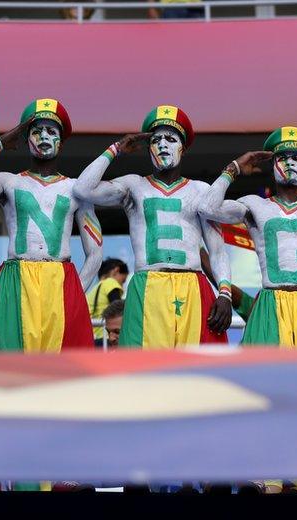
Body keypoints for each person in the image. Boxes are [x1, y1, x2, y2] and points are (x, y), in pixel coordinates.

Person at [73, 105, 232, 348]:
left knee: (194, 369)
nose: (163, 145)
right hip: (147, 285)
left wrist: (224, 293)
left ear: (183, 147)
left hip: (192, 285)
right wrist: (116, 149)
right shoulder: (132, 185)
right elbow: (83, 189)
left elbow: (217, 250)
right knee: (146, 369)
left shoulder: (201, 190)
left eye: (170, 138)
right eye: (155, 140)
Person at [0, 98, 101, 353]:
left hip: (61, 278)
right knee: (8, 364)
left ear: (61, 140)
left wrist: (75, 292)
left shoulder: (76, 188)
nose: (44, 136)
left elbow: (95, 254)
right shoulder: (8, 182)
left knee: (61, 372)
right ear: (25, 139)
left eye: (51, 131)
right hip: (15, 279)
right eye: (36, 131)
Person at [200, 126, 297, 348]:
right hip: (270, 302)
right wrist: (234, 168)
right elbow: (206, 207)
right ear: (273, 168)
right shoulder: (254, 205)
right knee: (263, 376)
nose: (289, 163)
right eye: (282, 158)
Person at [87, 258, 129, 345]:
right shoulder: (110, 283)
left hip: (94, 338)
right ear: (116, 270)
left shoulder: (94, 289)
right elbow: (119, 309)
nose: (122, 284)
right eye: (123, 280)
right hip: (105, 338)